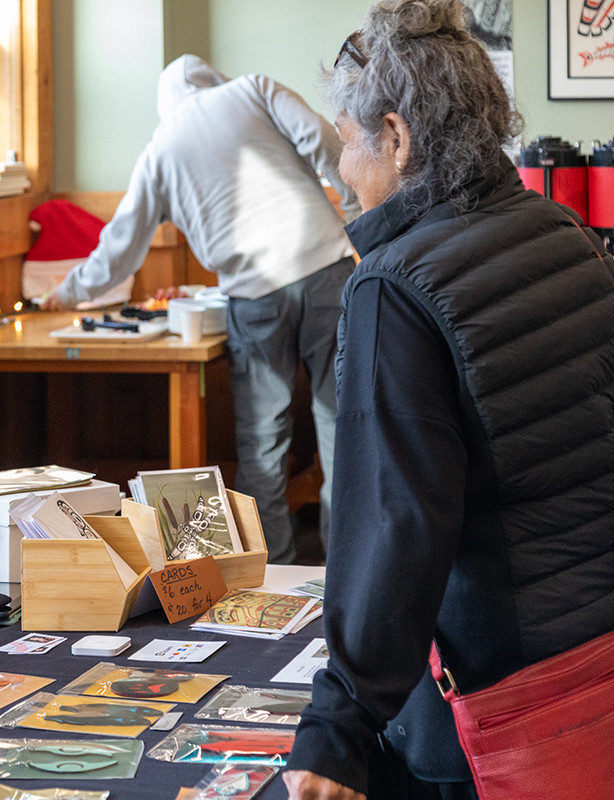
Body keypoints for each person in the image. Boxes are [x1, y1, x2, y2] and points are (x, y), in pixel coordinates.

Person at [283, 2, 614, 798]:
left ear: (396, 138)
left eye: (347, 139)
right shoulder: (563, 231)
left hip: (498, 696)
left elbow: (398, 524)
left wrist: (339, 728)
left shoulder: (391, 289)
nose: (340, 167)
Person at [44, 55, 360, 564]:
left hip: (253, 296)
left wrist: (69, 291)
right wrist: (353, 206)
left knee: (263, 443)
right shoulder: (253, 89)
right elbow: (323, 141)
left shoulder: (159, 150)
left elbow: (122, 245)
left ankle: (272, 573)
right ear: (214, 81)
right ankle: (347, 571)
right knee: (343, 425)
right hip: (326, 269)